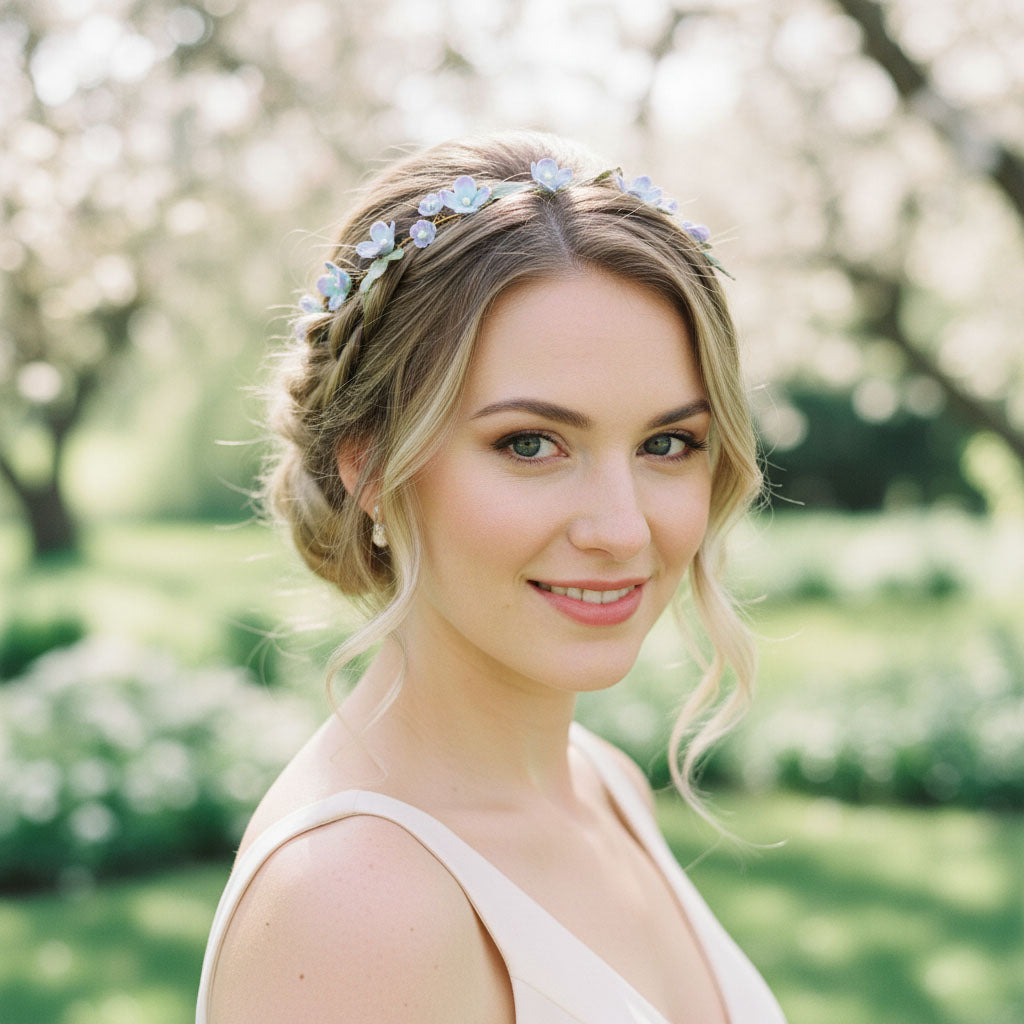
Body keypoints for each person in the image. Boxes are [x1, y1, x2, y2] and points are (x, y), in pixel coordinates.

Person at [196, 130, 786, 1023]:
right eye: (531, 444)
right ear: (371, 465)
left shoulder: (604, 784)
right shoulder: (355, 906)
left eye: (668, 443)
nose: (622, 529)